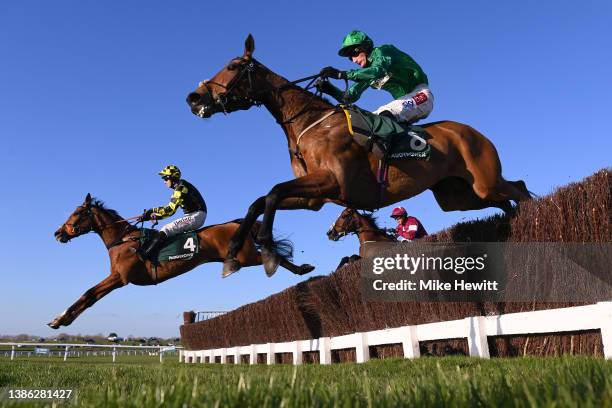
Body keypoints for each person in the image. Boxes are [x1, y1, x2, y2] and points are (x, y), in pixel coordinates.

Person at [318, 30, 434, 125]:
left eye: (353, 54)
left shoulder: (383, 51)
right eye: (350, 58)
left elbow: (378, 70)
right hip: (403, 102)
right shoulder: (366, 74)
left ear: (362, 48)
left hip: (421, 95)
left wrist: (341, 74)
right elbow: (349, 97)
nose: (353, 60)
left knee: (383, 116)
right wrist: (329, 89)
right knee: (366, 124)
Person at [136, 165, 207, 261]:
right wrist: (151, 211)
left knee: (166, 229)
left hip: (196, 216)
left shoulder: (180, 188)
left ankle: (145, 254)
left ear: (172, 177)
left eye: (165, 178)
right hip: (194, 215)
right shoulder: (180, 186)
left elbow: (169, 211)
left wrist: (150, 216)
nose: (164, 182)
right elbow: (168, 209)